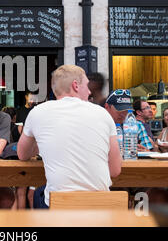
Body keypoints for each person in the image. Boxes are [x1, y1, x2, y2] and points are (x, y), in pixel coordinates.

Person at [18, 65, 122, 209]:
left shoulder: (38, 112)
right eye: (86, 85)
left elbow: (22, 155)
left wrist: (40, 145)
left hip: (60, 207)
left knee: (38, 194)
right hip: (100, 207)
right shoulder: (103, 114)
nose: (90, 91)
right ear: (75, 86)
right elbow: (115, 170)